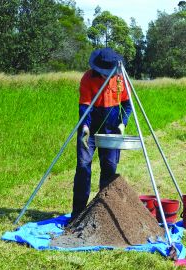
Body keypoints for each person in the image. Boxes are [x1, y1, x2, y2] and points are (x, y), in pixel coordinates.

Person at [71, 48, 132, 221]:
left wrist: (122, 123)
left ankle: (103, 215)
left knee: (110, 168)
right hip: (89, 129)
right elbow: (85, 107)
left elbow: (127, 105)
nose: (107, 76)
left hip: (112, 129)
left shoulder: (120, 79)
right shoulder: (88, 78)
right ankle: (78, 214)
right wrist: (85, 126)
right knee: (83, 167)